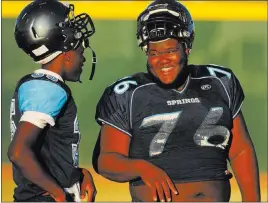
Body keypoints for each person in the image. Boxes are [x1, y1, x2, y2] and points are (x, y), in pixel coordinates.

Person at [92, 0, 261, 202]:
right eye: (154, 53)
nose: (162, 60)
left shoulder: (219, 81)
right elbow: (107, 160)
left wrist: (252, 199)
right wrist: (142, 168)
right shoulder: (128, 93)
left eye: (170, 51)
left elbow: (240, 149)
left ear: (186, 47)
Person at [7, 0, 97, 201]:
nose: (82, 58)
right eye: (80, 52)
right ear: (65, 47)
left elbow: (47, 151)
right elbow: (19, 152)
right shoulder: (48, 87)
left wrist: (78, 174)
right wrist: (58, 193)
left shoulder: (39, 84)